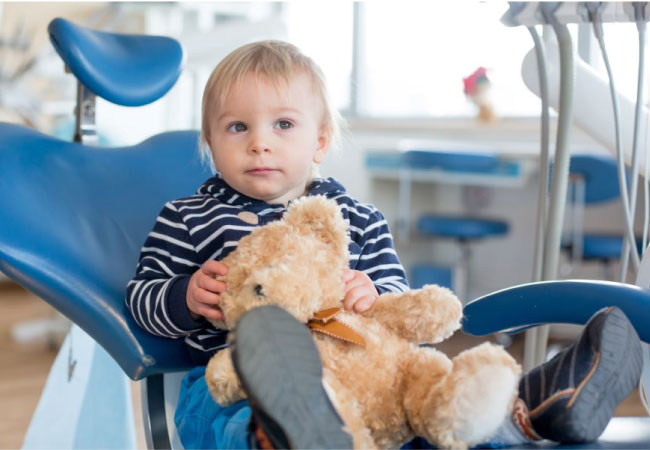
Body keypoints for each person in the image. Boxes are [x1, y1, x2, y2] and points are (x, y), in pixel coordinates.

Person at [125, 40, 643, 449]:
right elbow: (141, 297)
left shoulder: (356, 218)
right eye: (237, 127)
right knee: (220, 418)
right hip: (239, 378)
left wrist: (370, 291)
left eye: (283, 124)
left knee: (422, 401)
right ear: (210, 143)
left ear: (320, 141)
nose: (260, 141)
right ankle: (279, 434)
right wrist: (184, 296)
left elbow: (395, 290)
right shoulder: (189, 217)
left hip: (363, 371)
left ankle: (527, 411)